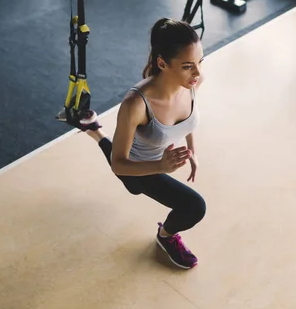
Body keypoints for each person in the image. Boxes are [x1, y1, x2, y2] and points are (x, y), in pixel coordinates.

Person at [73, 18, 206, 269]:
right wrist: (160, 165)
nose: (198, 73)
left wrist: (192, 151)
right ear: (162, 63)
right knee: (193, 206)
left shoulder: (192, 82)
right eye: (188, 66)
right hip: (138, 168)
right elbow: (119, 166)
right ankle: (165, 236)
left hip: (159, 160)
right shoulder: (135, 104)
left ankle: (94, 130)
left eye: (200, 61)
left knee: (189, 204)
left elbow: (189, 119)